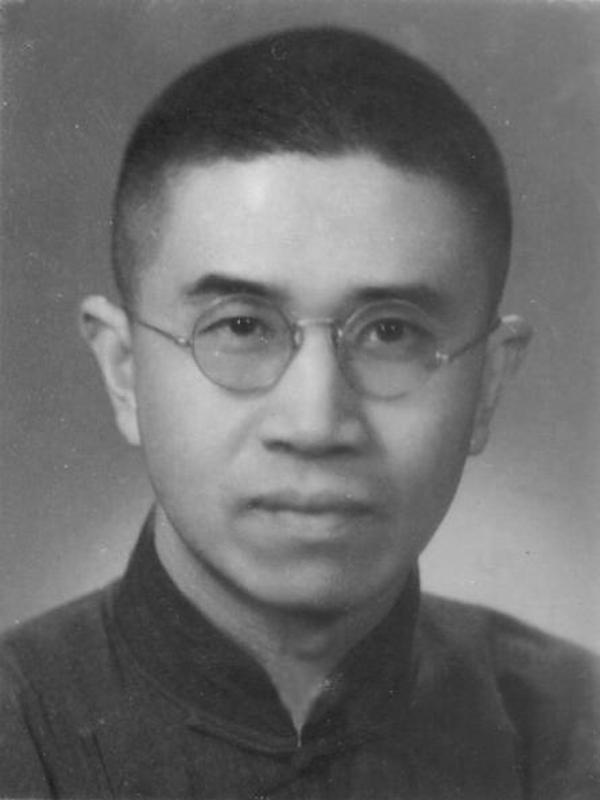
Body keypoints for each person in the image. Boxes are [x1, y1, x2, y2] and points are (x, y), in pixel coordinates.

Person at [0, 25, 598, 799]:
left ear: (485, 386)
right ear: (123, 372)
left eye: (391, 333)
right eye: (240, 327)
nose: (315, 425)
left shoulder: (577, 737)